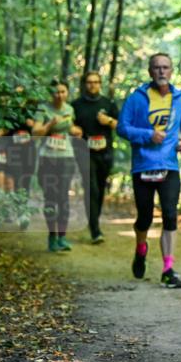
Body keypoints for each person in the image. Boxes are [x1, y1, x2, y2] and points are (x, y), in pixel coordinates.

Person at [117, 53, 181, 288]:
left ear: (171, 71)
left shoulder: (180, 99)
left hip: (169, 165)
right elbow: (122, 128)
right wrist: (147, 135)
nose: (161, 71)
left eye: (165, 67)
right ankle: (141, 249)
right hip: (143, 164)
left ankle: (168, 269)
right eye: (157, 68)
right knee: (145, 217)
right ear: (150, 71)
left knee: (170, 215)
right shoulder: (136, 98)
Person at [31, 80, 82, 251]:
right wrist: (50, 124)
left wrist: (75, 131)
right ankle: (51, 236)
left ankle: (62, 237)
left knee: (63, 198)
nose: (59, 95)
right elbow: (35, 133)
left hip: (66, 157)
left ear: (67, 92)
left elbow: (71, 127)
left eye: (62, 92)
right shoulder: (42, 109)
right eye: (56, 92)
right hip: (47, 158)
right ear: (51, 94)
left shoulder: (70, 109)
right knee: (50, 198)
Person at [72, 71, 119, 244]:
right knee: (91, 188)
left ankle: (94, 220)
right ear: (85, 84)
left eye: (96, 82)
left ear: (100, 84)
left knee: (99, 189)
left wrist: (109, 121)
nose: (93, 85)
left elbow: (121, 126)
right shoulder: (76, 105)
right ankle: (95, 230)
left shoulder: (108, 104)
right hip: (85, 153)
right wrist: (73, 129)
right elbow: (68, 124)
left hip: (105, 153)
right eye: (89, 82)